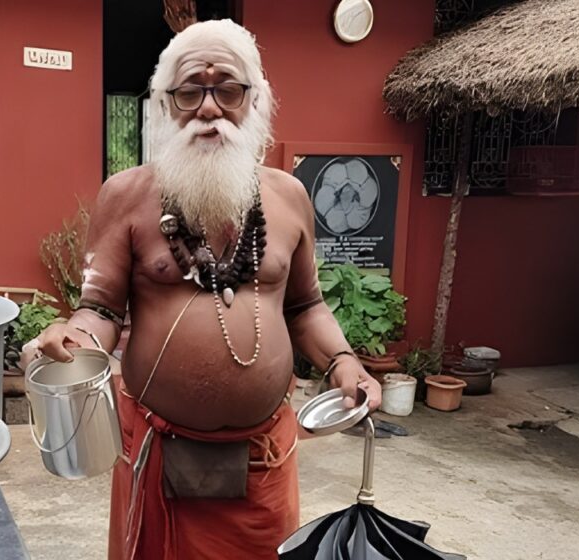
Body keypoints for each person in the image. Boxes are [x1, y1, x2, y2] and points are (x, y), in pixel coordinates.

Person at [22, 20, 382, 560]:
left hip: (262, 460)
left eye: (227, 90)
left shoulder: (289, 197)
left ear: (254, 100)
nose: (208, 108)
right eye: (190, 91)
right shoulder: (125, 196)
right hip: (156, 450)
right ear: (165, 105)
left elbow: (306, 305)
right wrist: (70, 339)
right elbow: (99, 309)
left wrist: (343, 361)